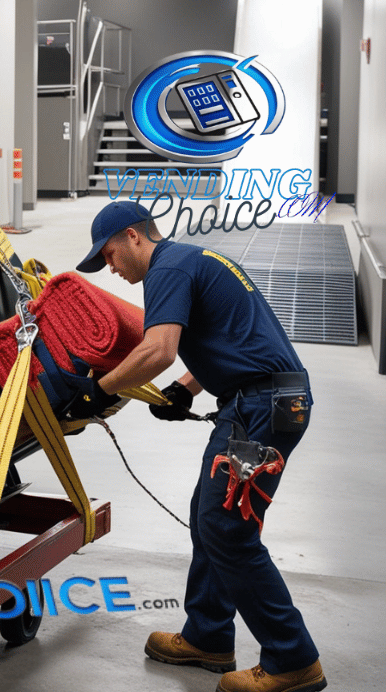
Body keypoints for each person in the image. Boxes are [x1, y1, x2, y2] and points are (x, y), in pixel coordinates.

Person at [60, 201, 326, 692]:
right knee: (210, 515)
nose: (112, 269)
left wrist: (97, 392)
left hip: (260, 408)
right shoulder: (192, 260)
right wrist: (186, 386)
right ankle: (208, 637)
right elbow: (230, 340)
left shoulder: (168, 269)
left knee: (228, 530)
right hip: (260, 401)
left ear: (134, 237)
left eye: (111, 256)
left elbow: (156, 349)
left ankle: (293, 659)